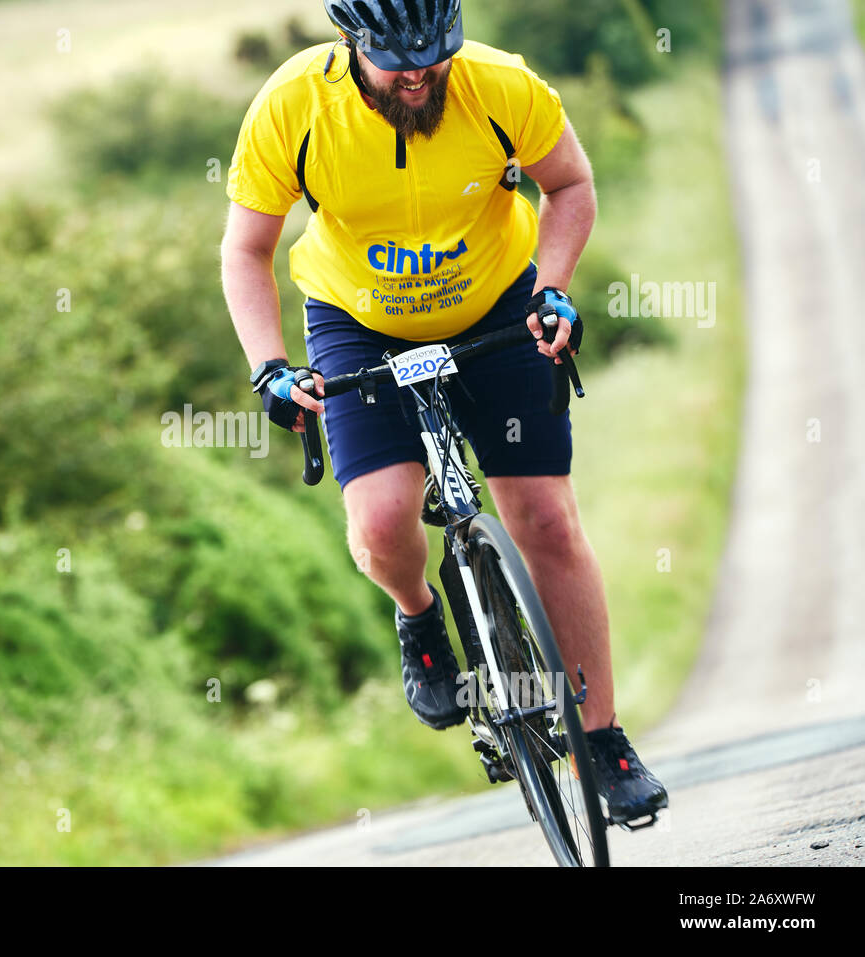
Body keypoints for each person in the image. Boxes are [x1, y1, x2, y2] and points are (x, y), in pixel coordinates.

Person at [221, 0, 667, 825]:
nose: (419, 72)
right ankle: (420, 614)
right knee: (384, 522)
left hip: (500, 305)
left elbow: (569, 184)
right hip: (358, 324)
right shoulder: (294, 107)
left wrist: (554, 284)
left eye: (435, 52)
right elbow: (246, 250)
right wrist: (270, 369)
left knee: (545, 519)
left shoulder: (501, 86)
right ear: (353, 44)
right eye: (397, 58)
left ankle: (601, 737)